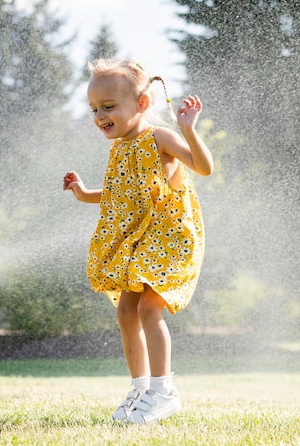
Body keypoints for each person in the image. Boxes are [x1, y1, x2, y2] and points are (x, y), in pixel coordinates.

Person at [63, 59, 213, 424]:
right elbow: (119, 193)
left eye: (109, 107)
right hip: (140, 242)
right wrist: (83, 194)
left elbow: (203, 167)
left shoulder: (159, 139)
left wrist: (188, 129)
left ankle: (164, 391)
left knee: (148, 309)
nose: (100, 116)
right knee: (125, 311)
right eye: (94, 109)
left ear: (142, 105)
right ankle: (140, 388)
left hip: (172, 240)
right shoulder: (118, 149)